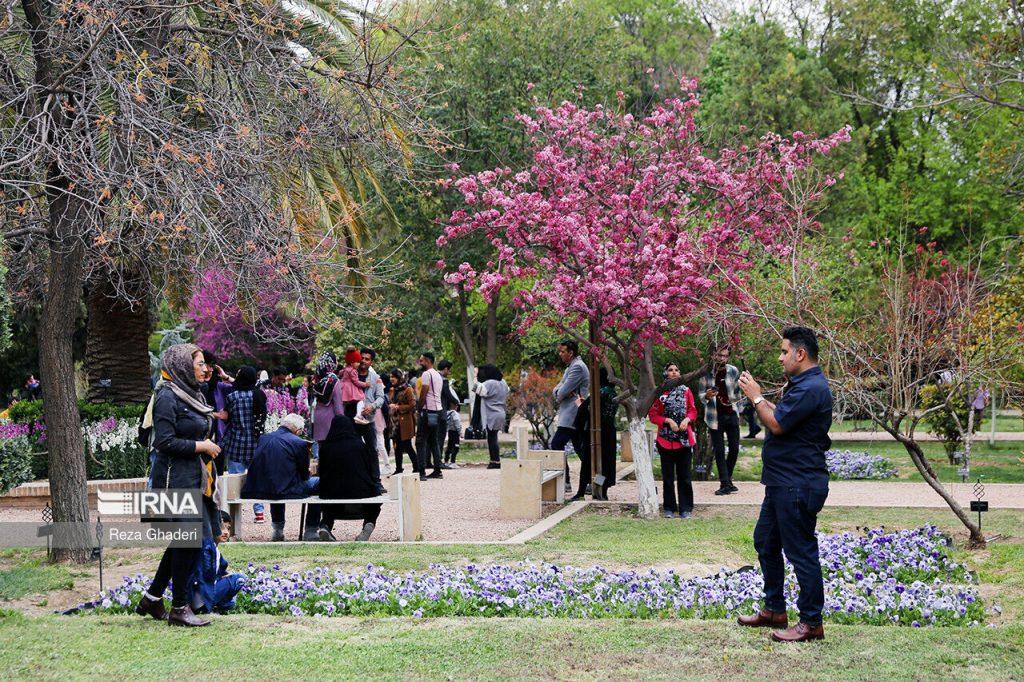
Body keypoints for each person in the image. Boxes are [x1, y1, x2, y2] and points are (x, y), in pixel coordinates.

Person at [737, 326, 832, 643]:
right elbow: (784, 417)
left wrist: (756, 397)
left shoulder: (811, 387)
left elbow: (777, 424)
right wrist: (760, 399)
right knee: (765, 541)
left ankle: (811, 622)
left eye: (784, 351)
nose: (780, 358)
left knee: (800, 551)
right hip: (782, 482)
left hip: (798, 483)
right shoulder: (802, 385)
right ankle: (775, 609)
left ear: (800, 354)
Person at [137, 343, 219, 627]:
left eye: (205, 363)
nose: (205, 368)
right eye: (199, 363)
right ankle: (180, 608)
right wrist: (202, 446)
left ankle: (153, 598)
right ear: (183, 365)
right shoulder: (167, 396)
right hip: (173, 481)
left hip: (192, 478)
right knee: (188, 542)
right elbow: (164, 442)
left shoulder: (193, 394)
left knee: (183, 543)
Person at [241, 413, 320, 541]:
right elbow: (304, 475)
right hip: (285, 490)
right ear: (298, 430)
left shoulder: (263, 438)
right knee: (319, 482)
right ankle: (311, 530)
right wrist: (309, 472)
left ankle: (277, 531)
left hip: (261, 488)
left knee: (278, 481)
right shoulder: (299, 442)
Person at [317, 414, 383, 542]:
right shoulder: (360, 445)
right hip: (360, 492)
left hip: (332, 493)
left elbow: (321, 472)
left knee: (326, 496)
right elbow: (370, 469)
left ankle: (325, 525)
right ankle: (369, 522)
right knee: (376, 497)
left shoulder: (325, 447)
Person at [218, 366, 268, 523]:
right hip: (255, 444)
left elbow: (227, 416)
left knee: (234, 480)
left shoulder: (232, 397)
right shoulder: (259, 395)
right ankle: (259, 512)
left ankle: (234, 515)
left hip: (236, 444)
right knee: (256, 478)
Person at [648, 363, 697, 518]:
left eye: (676, 370)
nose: (674, 372)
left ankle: (685, 509)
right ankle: (669, 508)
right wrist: (668, 421)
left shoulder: (686, 391)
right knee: (668, 478)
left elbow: (693, 411)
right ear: (665, 374)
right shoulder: (660, 392)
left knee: (685, 477)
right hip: (665, 441)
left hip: (684, 441)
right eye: (670, 370)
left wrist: (687, 420)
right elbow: (653, 415)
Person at [698, 346, 742, 496]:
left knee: (734, 449)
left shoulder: (733, 371)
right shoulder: (705, 372)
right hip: (714, 416)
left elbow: (738, 392)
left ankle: (727, 480)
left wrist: (738, 409)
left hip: (732, 414)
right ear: (713, 355)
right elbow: (701, 395)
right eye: (719, 355)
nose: (722, 358)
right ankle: (725, 483)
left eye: (725, 356)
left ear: (728, 357)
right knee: (719, 450)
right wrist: (707, 395)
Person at [551, 340, 589, 492]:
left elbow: (561, 392)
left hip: (572, 414)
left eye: (562, 351)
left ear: (571, 352)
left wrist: (560, 393)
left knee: (557, 443)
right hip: (571, 413)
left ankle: (566, 481)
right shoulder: (571, 367)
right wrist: (559, 392)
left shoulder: (578, 367)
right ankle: (589, 480)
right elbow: (558, 390)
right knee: (580, 448)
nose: (560, 354)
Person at [188, 512, 244, 614]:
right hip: (200, 597)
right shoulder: (206, 547)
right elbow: (205, 575)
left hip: (203, 594)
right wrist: (222, 578)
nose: (225, 532)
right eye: (222, 528)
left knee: (231, 603)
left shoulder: (214, 549)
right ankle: (207, 607)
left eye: (228, 528)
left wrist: (224, 575)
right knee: (238, 579)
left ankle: (215, 607)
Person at [358, 348, 389, 479]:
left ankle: (376, 481)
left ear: (371, 362)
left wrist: (372, 406)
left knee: (372, 450)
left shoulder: (376, 378)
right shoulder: (351, 375)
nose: (364, 361)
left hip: (369, 420)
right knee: (355, 450)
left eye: (367, 359)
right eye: (362, 358)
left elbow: (381, 398)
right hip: (352, 419)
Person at [472, 364, 509, 469]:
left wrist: (475, 376)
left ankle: (496, 461)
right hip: (501, 412)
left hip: (492, 414)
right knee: (493, 437)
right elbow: (508, 390)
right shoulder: (503, 382)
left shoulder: (489, 383)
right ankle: (494, 460)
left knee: (492, 438)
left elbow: (476, 389)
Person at [415, 352, 445, 480]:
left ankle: (421, 472)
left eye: (421, 360)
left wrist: (419, 408)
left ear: (427, 361)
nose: (420, 363)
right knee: (433, 441)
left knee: (420, 442)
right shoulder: (438, 375)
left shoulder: (426, 374)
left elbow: (424, 393)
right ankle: (437, 470)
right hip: (438, 411)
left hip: (427, 411)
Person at [388, 369, 419, 474]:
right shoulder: (393, 390)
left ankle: (417, 467)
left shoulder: (408, 389)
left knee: (407, 445)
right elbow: (390, 402)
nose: (391, 379)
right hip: (395, 422)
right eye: (390, 376)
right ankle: (398, 469)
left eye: (393, 377)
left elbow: (412, 405)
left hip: (405, 422)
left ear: (399, 378)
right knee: (397, 446)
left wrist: (398, 407)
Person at [436, 360, 461, 469]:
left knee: (433, 438)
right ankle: (439, 461)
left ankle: (430, 460)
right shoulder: (443, 380)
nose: (449, 372)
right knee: (440, 437)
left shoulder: (433, 377)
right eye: (449, 370)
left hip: (432, 410)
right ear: (445, 369)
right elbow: (448, 394)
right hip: (441, 411)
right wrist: (456, 402)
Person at [340, 346, 369, 420]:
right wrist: (365, 384)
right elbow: (356, 381)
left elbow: (340, 374)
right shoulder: (353, 371)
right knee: (361, 399)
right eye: (357, 362)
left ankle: (341, 414)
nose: (359, 364)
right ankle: (358, 415)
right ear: (352, 362)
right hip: (351, 388)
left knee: (343, 403)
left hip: (344, 388)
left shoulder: (346, 369)